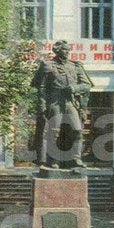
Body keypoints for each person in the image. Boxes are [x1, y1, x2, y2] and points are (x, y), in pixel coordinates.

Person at [31, 39, 93, 168]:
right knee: (54, 132)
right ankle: (53, 160)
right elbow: (41, 88)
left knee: (77, 130)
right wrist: (42, 106)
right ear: (57, 51)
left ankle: (75, 158)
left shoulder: (75, 66)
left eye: (68, 50)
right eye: (64, 49)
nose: (67, 52)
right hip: (55, 102)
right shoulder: (48, 65)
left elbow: (87, 85)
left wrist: (75, 88)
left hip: (70, 103)